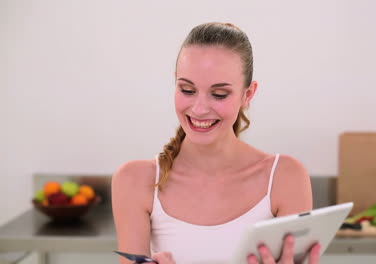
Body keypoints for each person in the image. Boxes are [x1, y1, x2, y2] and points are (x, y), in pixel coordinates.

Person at [112, 22, 320, 264]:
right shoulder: (135, 180)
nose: (199, 109)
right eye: (187, 90)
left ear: (248, 94)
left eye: (219, 94)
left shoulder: (285, 177)